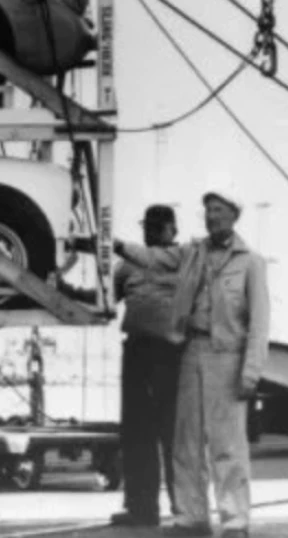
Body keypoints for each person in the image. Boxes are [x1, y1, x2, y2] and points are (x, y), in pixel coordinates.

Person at [114, 191, 270, 538]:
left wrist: (251, 372)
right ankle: (191, 518)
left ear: (234, 215)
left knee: (227, 444)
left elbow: (259, 325)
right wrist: (116, 245)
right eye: (208, 210)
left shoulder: (251, 263)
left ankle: (235, 521)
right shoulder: (191, 253)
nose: (212, 216)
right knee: (186, 442)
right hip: (190, 352)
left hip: (227, 356)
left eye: (218, 210)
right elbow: (152, 257)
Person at [108, 204, 184, 527]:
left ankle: (186, 509)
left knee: (175, 434)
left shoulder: (185, 260)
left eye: (158, 226)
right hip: (138, 352)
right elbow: (107, 300)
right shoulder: (126, 267)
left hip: (173, 354)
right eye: (147, 226)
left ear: (173, 229)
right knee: (136, 431)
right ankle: (141, 508)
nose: (151, 231)